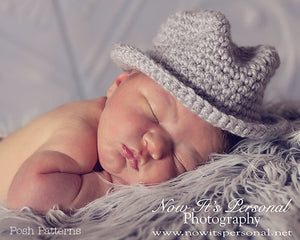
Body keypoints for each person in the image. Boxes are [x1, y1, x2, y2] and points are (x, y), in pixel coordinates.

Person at [0, 10, 289, 214]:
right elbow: (25, 197)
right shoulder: (80, 131)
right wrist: (109, 189)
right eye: (153, 112)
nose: (156, 145)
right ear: (119, 83)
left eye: (181, 159)